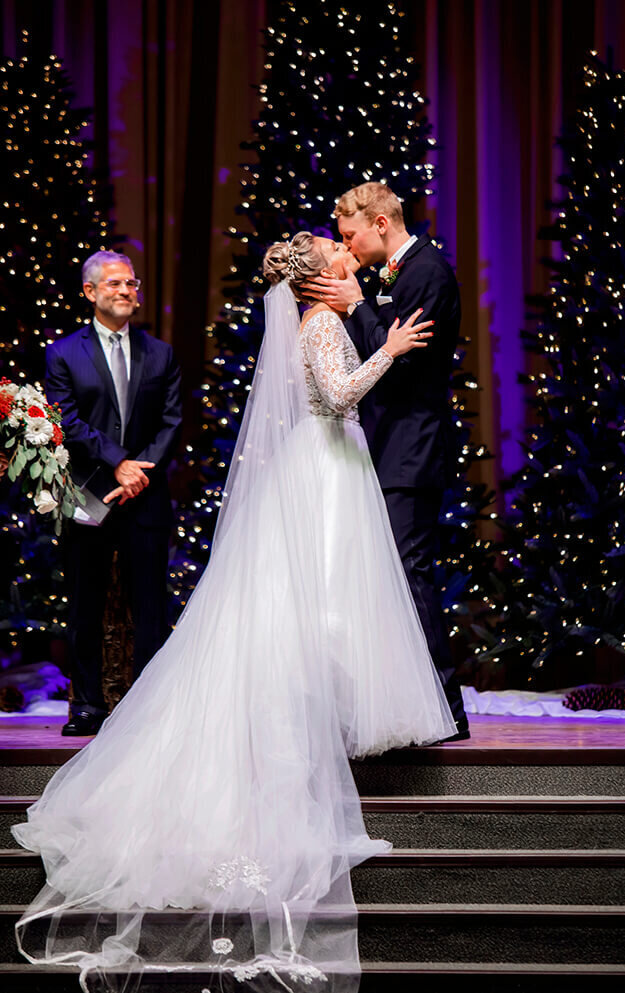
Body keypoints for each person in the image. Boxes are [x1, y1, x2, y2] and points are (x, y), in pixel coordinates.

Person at [13, 234, 455, 993]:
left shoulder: (324, 315)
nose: (345, 251)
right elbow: (340, 395)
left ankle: (316, 731)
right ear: (320, 277)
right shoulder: (319, 325)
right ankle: (295, 751)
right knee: (311, 612)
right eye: (333, 249)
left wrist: (378, 329)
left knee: (325, 614)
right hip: (324, 472)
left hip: (330, 468)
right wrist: (391, 349)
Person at [302, 182, 470, 740]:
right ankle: (408, 706)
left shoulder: (427, 271)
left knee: (410, 575)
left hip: (412, 449)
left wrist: (357, 306)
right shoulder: (390, 275)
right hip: (387, 447)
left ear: (379, 223)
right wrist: (361, 305)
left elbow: (403, 360)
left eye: (349, 234)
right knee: (392, 578)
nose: (346, 247)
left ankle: (446, 709)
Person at [44, 250, 182, 737]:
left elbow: (171, 421)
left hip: (145, 496)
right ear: (90, 292)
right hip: (90, 493)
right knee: (86, 602)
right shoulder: (63, 353)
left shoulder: (160, 353)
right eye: (115, 285)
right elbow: (67, 419)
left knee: (150, 605)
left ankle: (147, 704)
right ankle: (86, 705)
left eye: (131, 284)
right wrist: (116, 464)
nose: (127, 292)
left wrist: (139, 469)